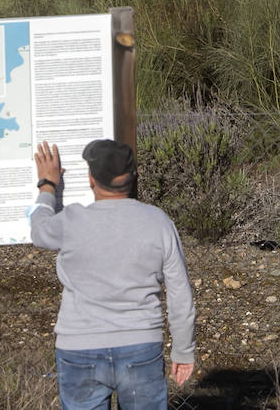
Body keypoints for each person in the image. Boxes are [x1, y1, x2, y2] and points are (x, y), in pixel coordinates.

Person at [29, 139, 196, 409]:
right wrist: (183, 350)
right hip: (141, 344)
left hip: (78, 347)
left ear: (91, 179)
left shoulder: (70, 221)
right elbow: (180, 293)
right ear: (133, 177)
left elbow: (39, 230)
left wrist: (47, 184)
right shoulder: (159, 222)